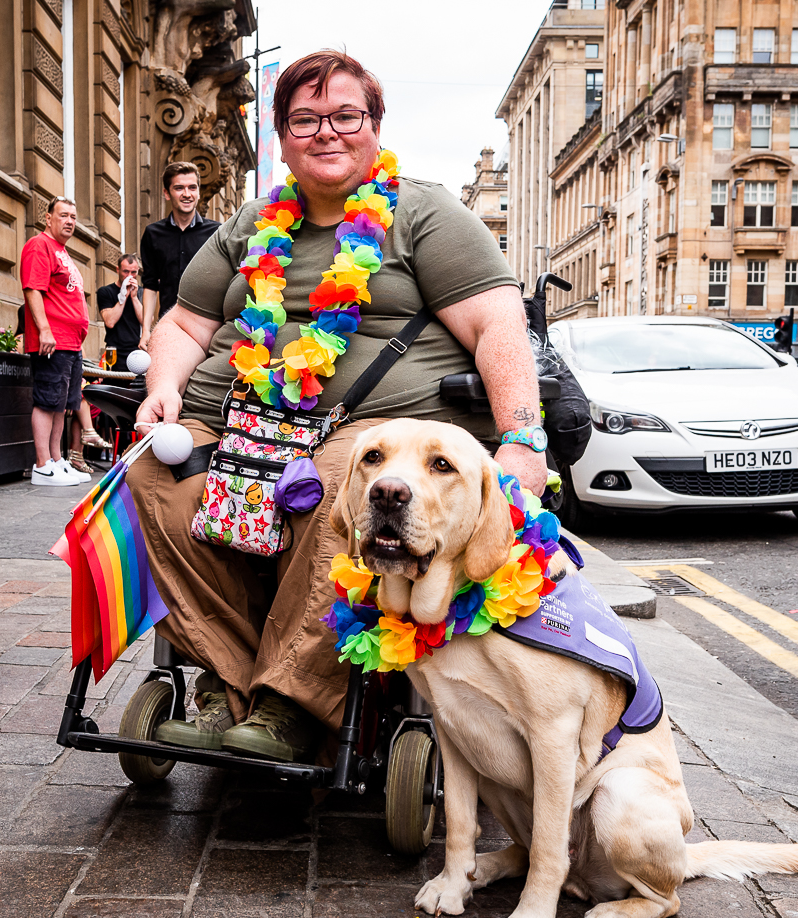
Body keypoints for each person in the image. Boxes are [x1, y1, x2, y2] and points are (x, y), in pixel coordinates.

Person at [128, 50, 544, 763]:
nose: (327, 132)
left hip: (365, 425)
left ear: (374, 126)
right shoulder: (254, 221)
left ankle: (291, 704)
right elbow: (186, 324)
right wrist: (163, 386)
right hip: (239, 419)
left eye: (346, 116)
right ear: (282, 136)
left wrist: (521, 437)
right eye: (305, 120)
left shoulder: (421, 213)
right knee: (151, 478)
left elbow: (498, 325)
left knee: (338, 491)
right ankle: (227, 687)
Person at [21, 196, 92, 487]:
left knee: (63, 405)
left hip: (70, 344)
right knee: (48, 402)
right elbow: (32, 290)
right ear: (48, 218)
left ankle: (57, 461)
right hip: (53, 342)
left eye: (73, 217)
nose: (69, 221)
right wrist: (45, 330)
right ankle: (42, 465)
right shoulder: (40, 245)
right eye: (63, 215)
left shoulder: (62, 251)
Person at [139, 162, 220, 344]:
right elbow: (150, 286)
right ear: (166, 193)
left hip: (207, 328)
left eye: (192, 187)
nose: (186, 194)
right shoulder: (153, 234)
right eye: (179, 188)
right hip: (169, 326)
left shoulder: (216, 233)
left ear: (198, 192)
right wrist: (145, 331)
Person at [96, 253, 146, 374]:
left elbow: (147, 322)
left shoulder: (141, 292)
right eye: (125, 272)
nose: (130, 276)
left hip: (136, 351)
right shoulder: (105, 291)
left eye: (134, 272)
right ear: (117, 270)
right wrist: (123, 297)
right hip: (114, 351)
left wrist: (134, 298)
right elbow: (110, 322)